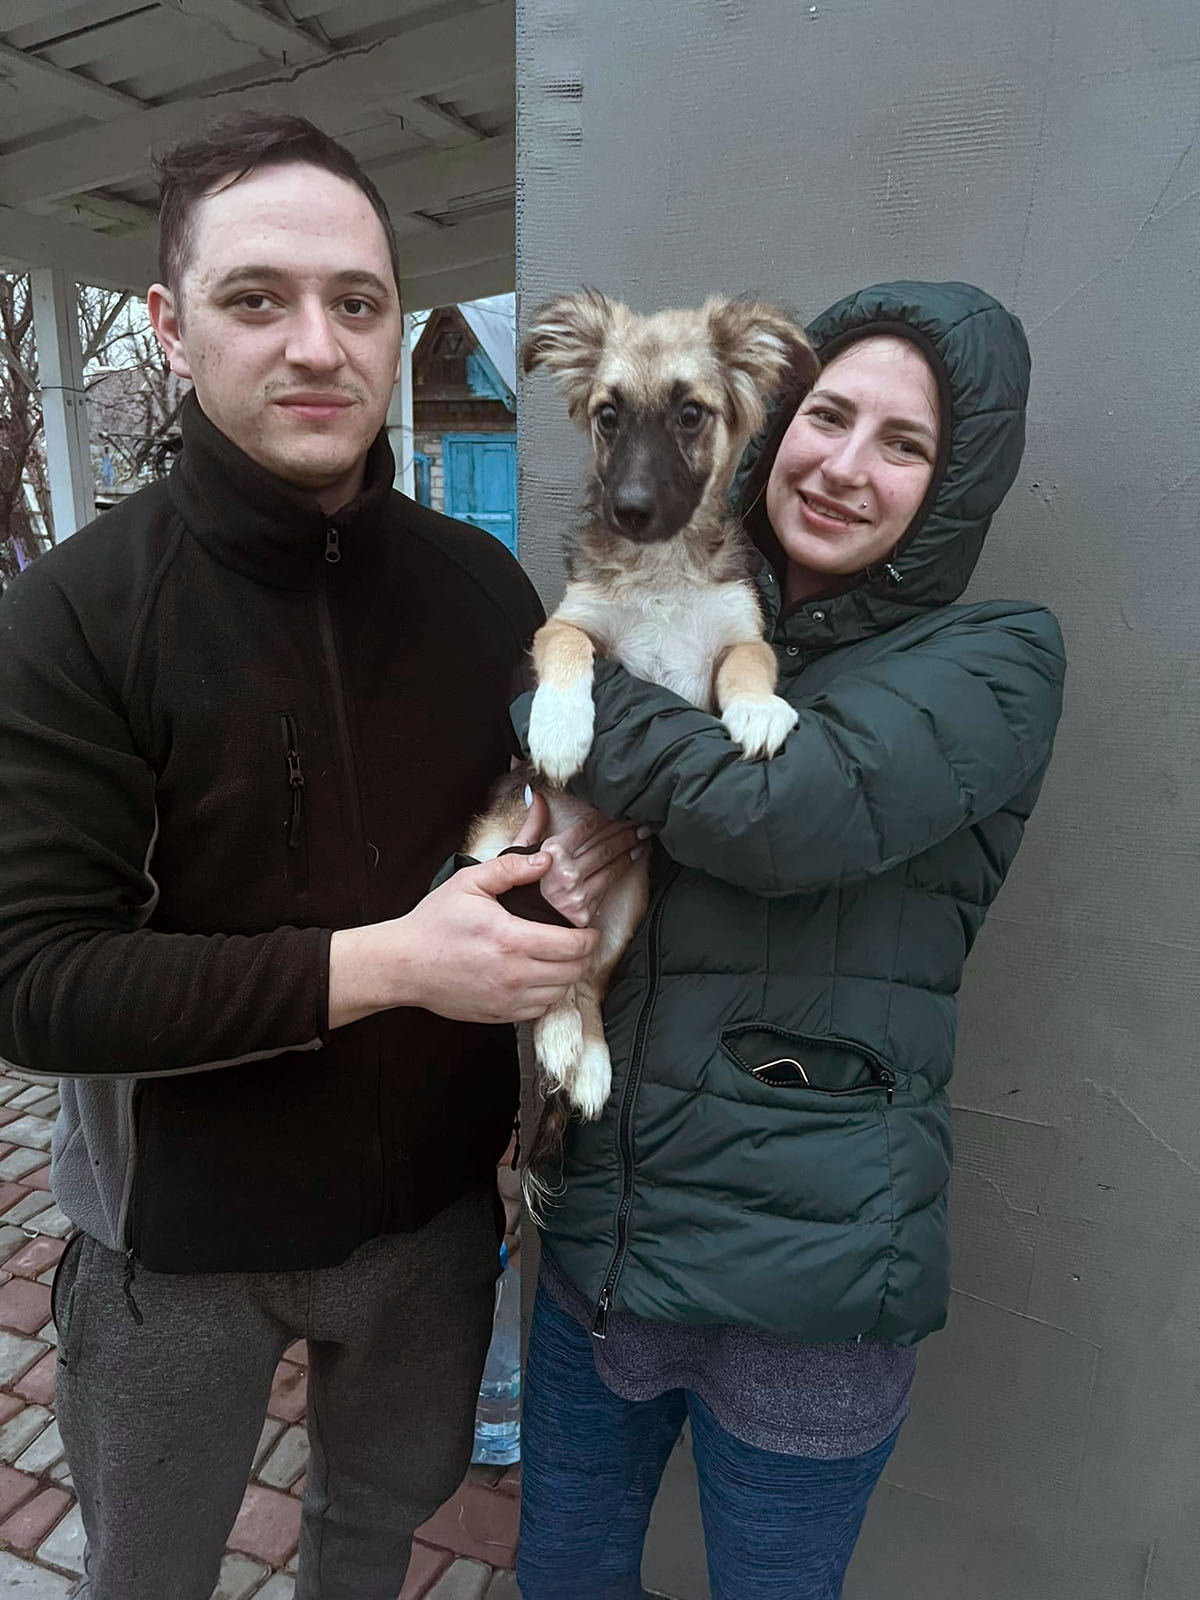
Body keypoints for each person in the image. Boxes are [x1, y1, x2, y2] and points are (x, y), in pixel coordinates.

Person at [0, 111, 635, 1600]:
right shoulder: (82, 615)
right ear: (169, 326)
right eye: (255, 298)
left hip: (426, 1223)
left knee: (370, 1529)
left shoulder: (481, 587)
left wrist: (582, 853)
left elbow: (533, 831)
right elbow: (34, 986)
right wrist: (394, 965)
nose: (316, 344)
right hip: (175, 1249)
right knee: (147, 1571)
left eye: (356, 302)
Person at [513, 281, 1067, 1600]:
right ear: (778, 423)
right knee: (562, 1581)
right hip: (611, 1243)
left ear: (958, 482)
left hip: (810, 1285)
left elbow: (776, 813)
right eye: (830, 418)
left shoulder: (994, 661)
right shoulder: (682, 592)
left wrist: (547, 681)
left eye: (906, 443)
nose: (845, 466)